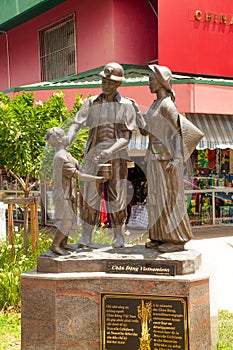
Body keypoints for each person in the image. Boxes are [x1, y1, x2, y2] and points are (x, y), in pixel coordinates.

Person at [67, 62, 144, 248]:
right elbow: (76, 124)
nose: (105, 84)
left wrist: (109, 151)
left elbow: (126, 138)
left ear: (118, 84)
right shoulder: (91, 103)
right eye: (104, 80)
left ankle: (119, 236)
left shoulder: (126, 105)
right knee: (90, 197)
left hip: (117, 158)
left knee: (116, 197)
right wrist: (66, 141)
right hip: (93, 157)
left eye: (110, 82)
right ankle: (86, 236)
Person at [142, 64, 203, 252]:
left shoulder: (168, 105)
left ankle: (176, 239)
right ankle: (159, 236)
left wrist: (178, 159)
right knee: (155, 198)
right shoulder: (154, 104)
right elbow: (147, 130)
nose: (149, 83)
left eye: (151, 79)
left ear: (161, 82)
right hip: (153, 157)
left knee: (169, 198)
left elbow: (179, 134)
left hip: (166, 160)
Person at [45, 127, 104, 255]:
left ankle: (63, 243)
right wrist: (97, 179)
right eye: (63, 135)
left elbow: (81, 168)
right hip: (62, 196)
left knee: (70, 220)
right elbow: (78, 175)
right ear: (59, 139)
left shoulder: (67, 154)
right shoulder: (60, 157)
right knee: (65, 221)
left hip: (69, 194)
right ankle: (55, 245)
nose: (66, 136)